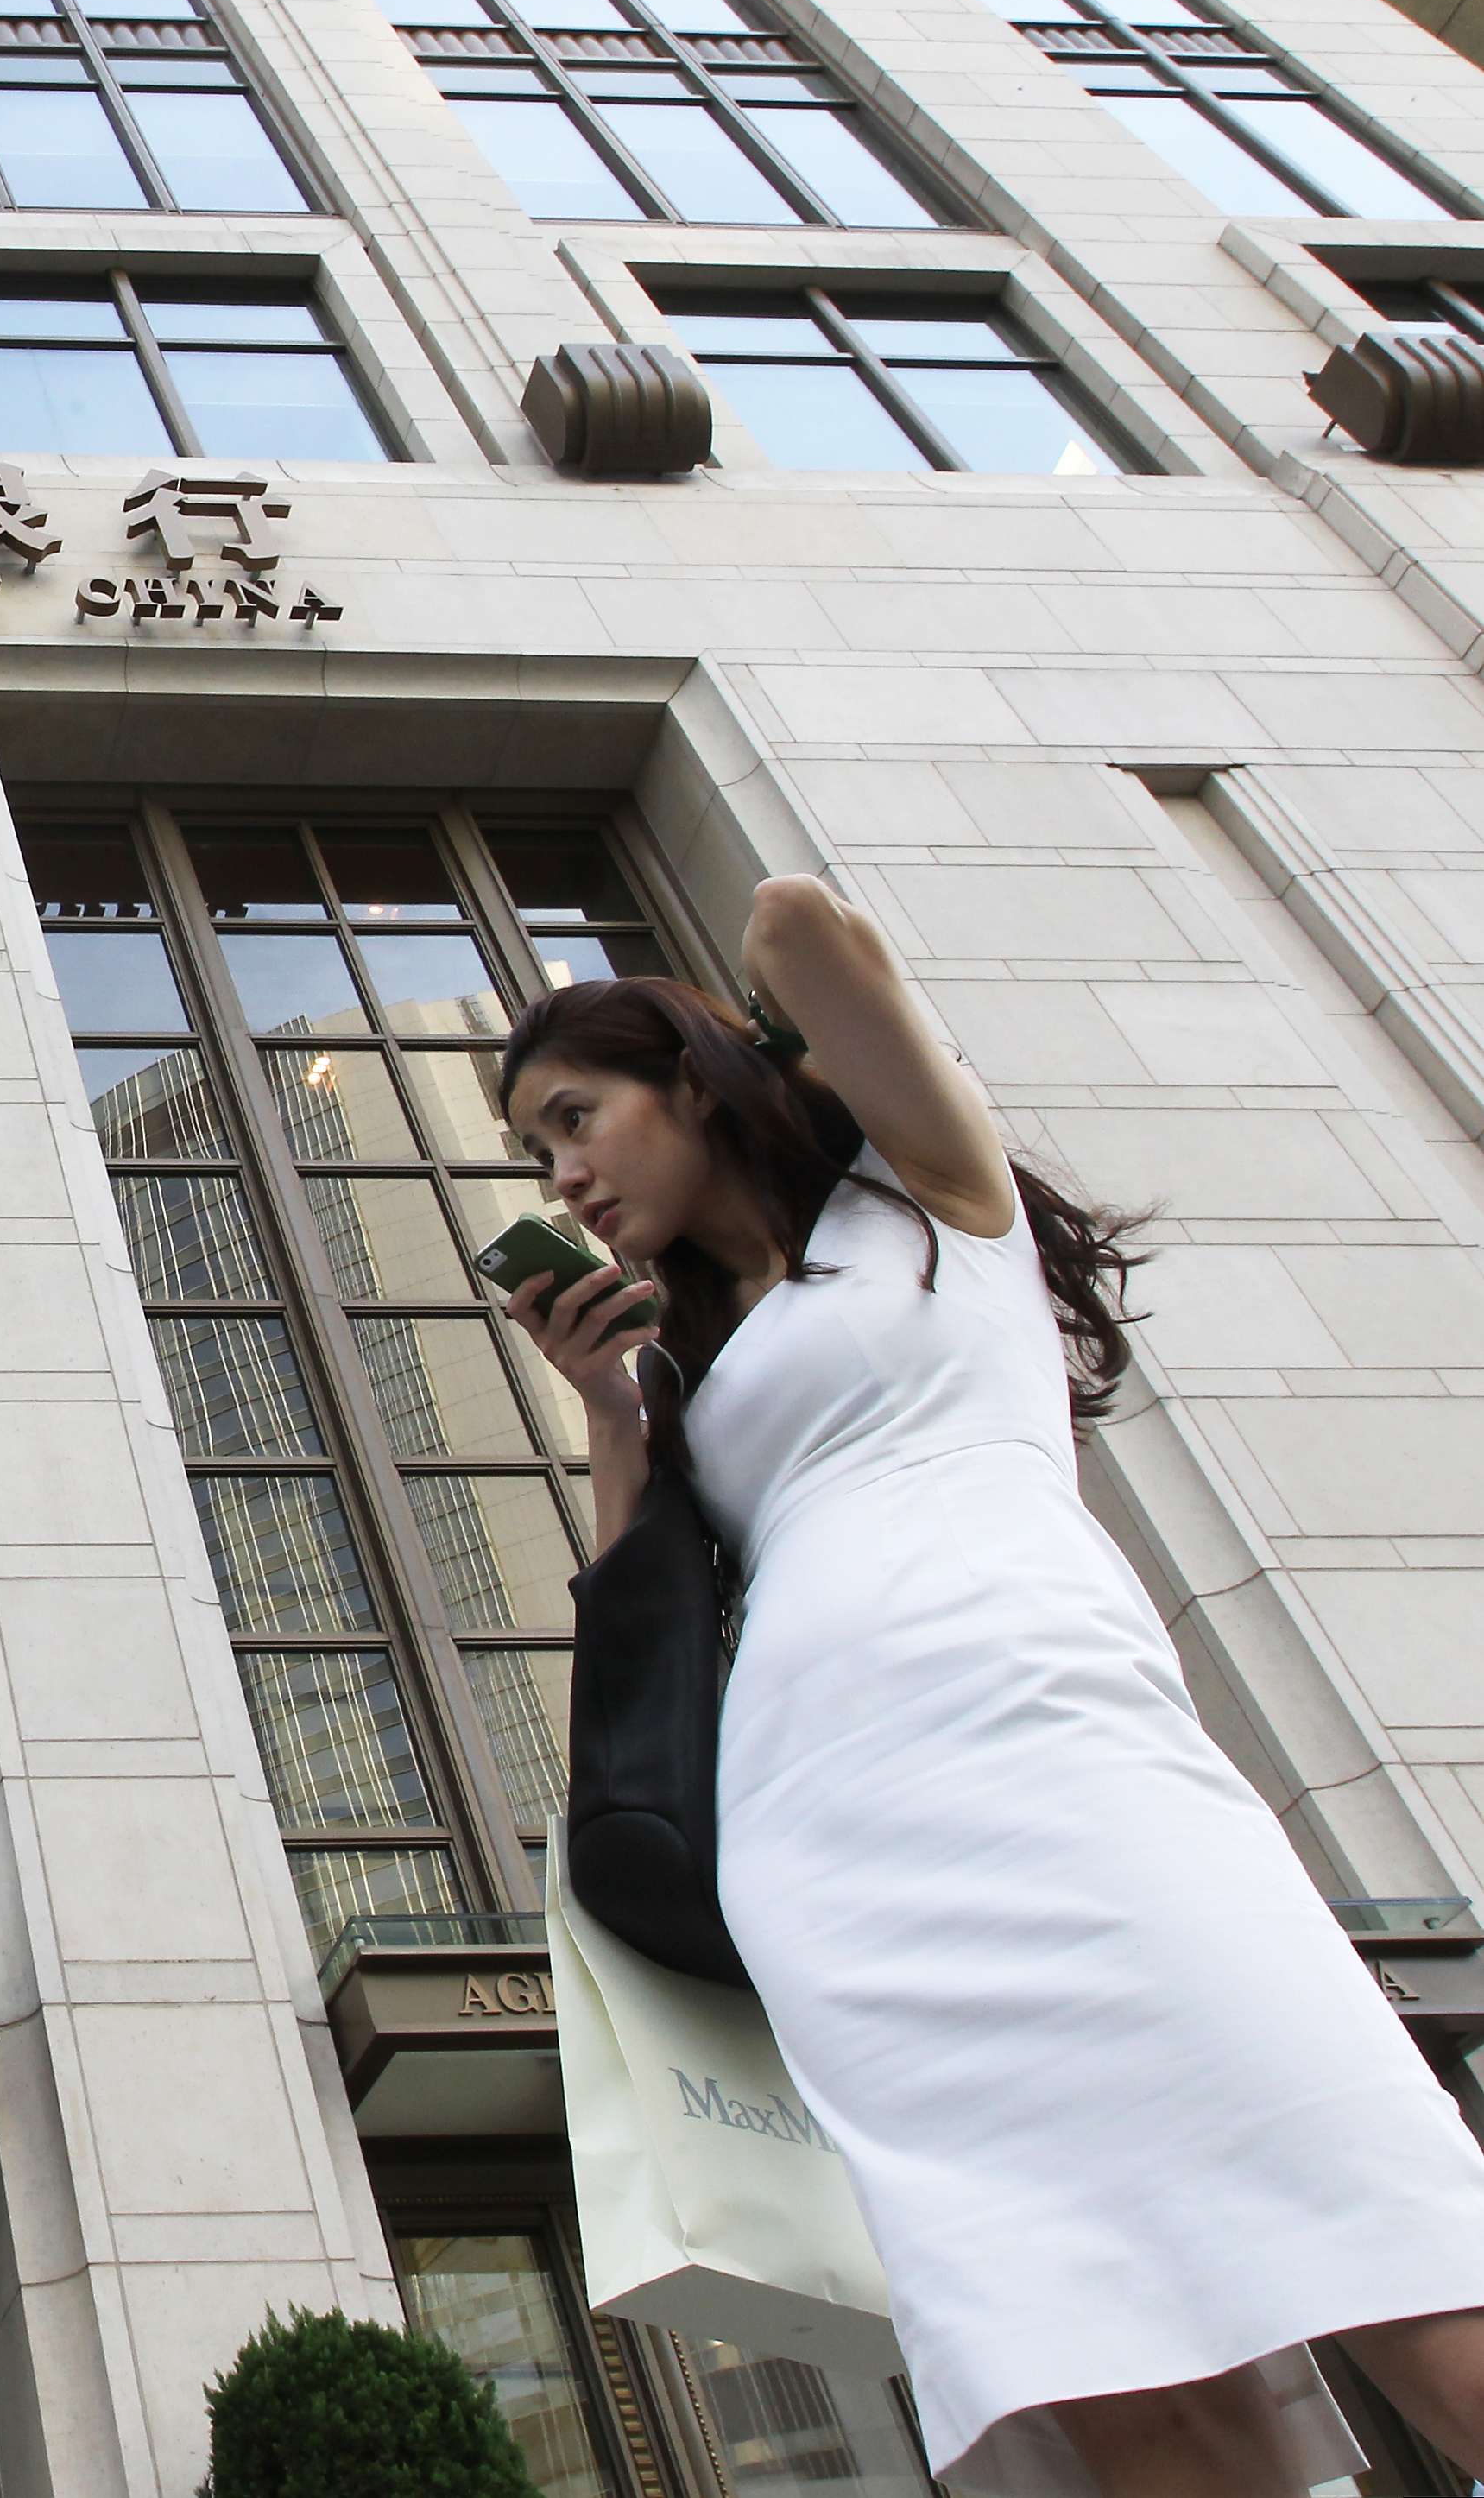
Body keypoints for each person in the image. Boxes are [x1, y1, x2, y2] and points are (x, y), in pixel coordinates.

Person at [498, 876, 1484, 2498]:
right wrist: (609, 1404)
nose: (564, 1177)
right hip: (834, 1855)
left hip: (1060, 1753)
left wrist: (746, 1029)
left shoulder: (936, 1202)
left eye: (575, 1116)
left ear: (688, 1078)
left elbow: (797, 923)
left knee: (1379, 2213)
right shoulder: (682, 1365)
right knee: (1083, 2343)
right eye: (538, 1153)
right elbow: (644, 1621)